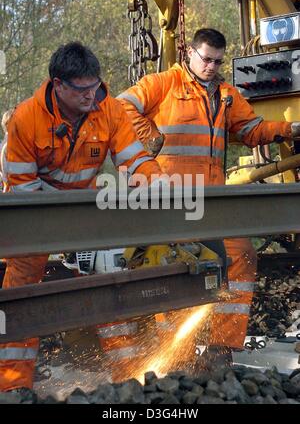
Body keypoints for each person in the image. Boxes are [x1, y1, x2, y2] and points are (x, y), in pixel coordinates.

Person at [118, 28, 300, 368]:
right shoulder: (164, 84)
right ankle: (177, 354)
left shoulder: (226, 95)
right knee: (176, 271)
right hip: (172, 201)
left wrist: (290, 130)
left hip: (212, 202)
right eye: (206, 59)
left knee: (241, 257)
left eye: (218, 61)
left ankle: (221, 347)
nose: (212, 67)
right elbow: (120, 106)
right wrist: (149, 134)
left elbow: (251, 131)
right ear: (189, 52)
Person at [0, 42, 162, 391]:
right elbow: (24, 191)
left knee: (108, 282)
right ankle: (13, 388)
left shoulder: (110, 110)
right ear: (58, 85)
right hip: (33, 215)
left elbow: (133, 159)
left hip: (82, 210)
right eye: (82, 89)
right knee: (20, 298)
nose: (92, 95)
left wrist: (154, 181)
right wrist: (66, 221)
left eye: (95, 86)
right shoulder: (25, 119)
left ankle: (128, 380)